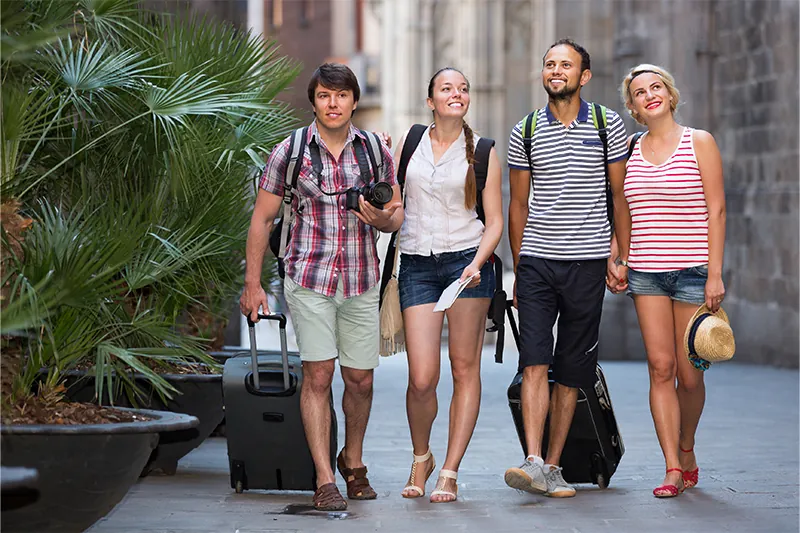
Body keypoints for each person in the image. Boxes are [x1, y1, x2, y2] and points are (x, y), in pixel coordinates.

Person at [239, 63, 402, 511]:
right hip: (308, 277)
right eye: (325, 96)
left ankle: (353, 459)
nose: (334, 104)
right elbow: (262, 219)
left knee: (361, 380)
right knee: (319, 373)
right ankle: (325, 477)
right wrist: (253, 284)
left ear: (353, 100)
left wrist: (382, 219)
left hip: (361, 279)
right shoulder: (289, 152)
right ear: (314, 101)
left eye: (342, 95)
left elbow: (397, 214)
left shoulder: (374, 150)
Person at [504, 39, 628, 498]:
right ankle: (533, 460)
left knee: (572, 369)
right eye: (550, 64)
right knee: (534, 360)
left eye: (566, 65)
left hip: (588, 263)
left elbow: (619, 194)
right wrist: (518, 268)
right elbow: (517, 204)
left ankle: (554, 466)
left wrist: (620, 255)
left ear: (584, 75)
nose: (556, 71)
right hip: (537, 263)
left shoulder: (605, 123)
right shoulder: (527, 129)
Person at [608, 64, 726, 498]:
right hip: (646, 274)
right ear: (634, 107)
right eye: (640, 92)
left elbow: (716, 210)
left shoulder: (700, 142)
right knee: (660, 369)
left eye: (656, 87)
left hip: (694, 272)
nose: (649, 95)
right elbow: (622, 207)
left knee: (690, 375)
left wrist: (715, 273)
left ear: (670, 95)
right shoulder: (629, 149)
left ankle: (687, 444)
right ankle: (673, 468)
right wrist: (618, 255)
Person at [395, 67, 503, 503]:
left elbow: (493, 221)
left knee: (464, 369)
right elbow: (395, 203)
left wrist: (477, 263)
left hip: (466, 265)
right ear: (431, 100)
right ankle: (422, 457)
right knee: (422, 377)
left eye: (462, 89)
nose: (455, 94)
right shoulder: (409, 142)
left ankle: (450, 471)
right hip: (417, 264)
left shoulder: (484, 152)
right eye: (446, 89)